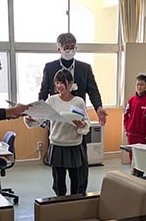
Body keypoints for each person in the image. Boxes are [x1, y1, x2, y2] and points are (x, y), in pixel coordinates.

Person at [38, 32, 106, 194]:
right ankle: (60, 197)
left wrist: (99, 108)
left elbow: (93, 90)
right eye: (66, 48)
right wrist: (40, 114)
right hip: (58, 125)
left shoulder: (84, 68)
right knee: (58, 172)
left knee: (80, 169)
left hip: (77, 123)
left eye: (72, 47)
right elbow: (43, 93)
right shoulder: (50, 67)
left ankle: (79, 196)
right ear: (59, 49)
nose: (70, 50)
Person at [26, 69, 90, 195]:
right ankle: (60, 203)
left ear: (70, 84)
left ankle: (75, 202)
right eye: (57, 82)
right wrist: (31, 118)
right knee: (58, 181)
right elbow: (41, 117)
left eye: (62, 82)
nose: (59, 86)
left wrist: (82, 125)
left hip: (74, 145)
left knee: (76, 180)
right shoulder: (52, 100)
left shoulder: (78, 101)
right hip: (57, 144)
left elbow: (86, 121)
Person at [123, 74, 146, 162]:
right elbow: (126, 115)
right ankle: (132, 169)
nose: (139, 87)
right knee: (132, 154)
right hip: (131, 133)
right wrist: (126, 128)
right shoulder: (131, 100)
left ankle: (139, 171)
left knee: (141, 156)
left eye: (142, 84)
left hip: (142, 134)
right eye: (137, 84)